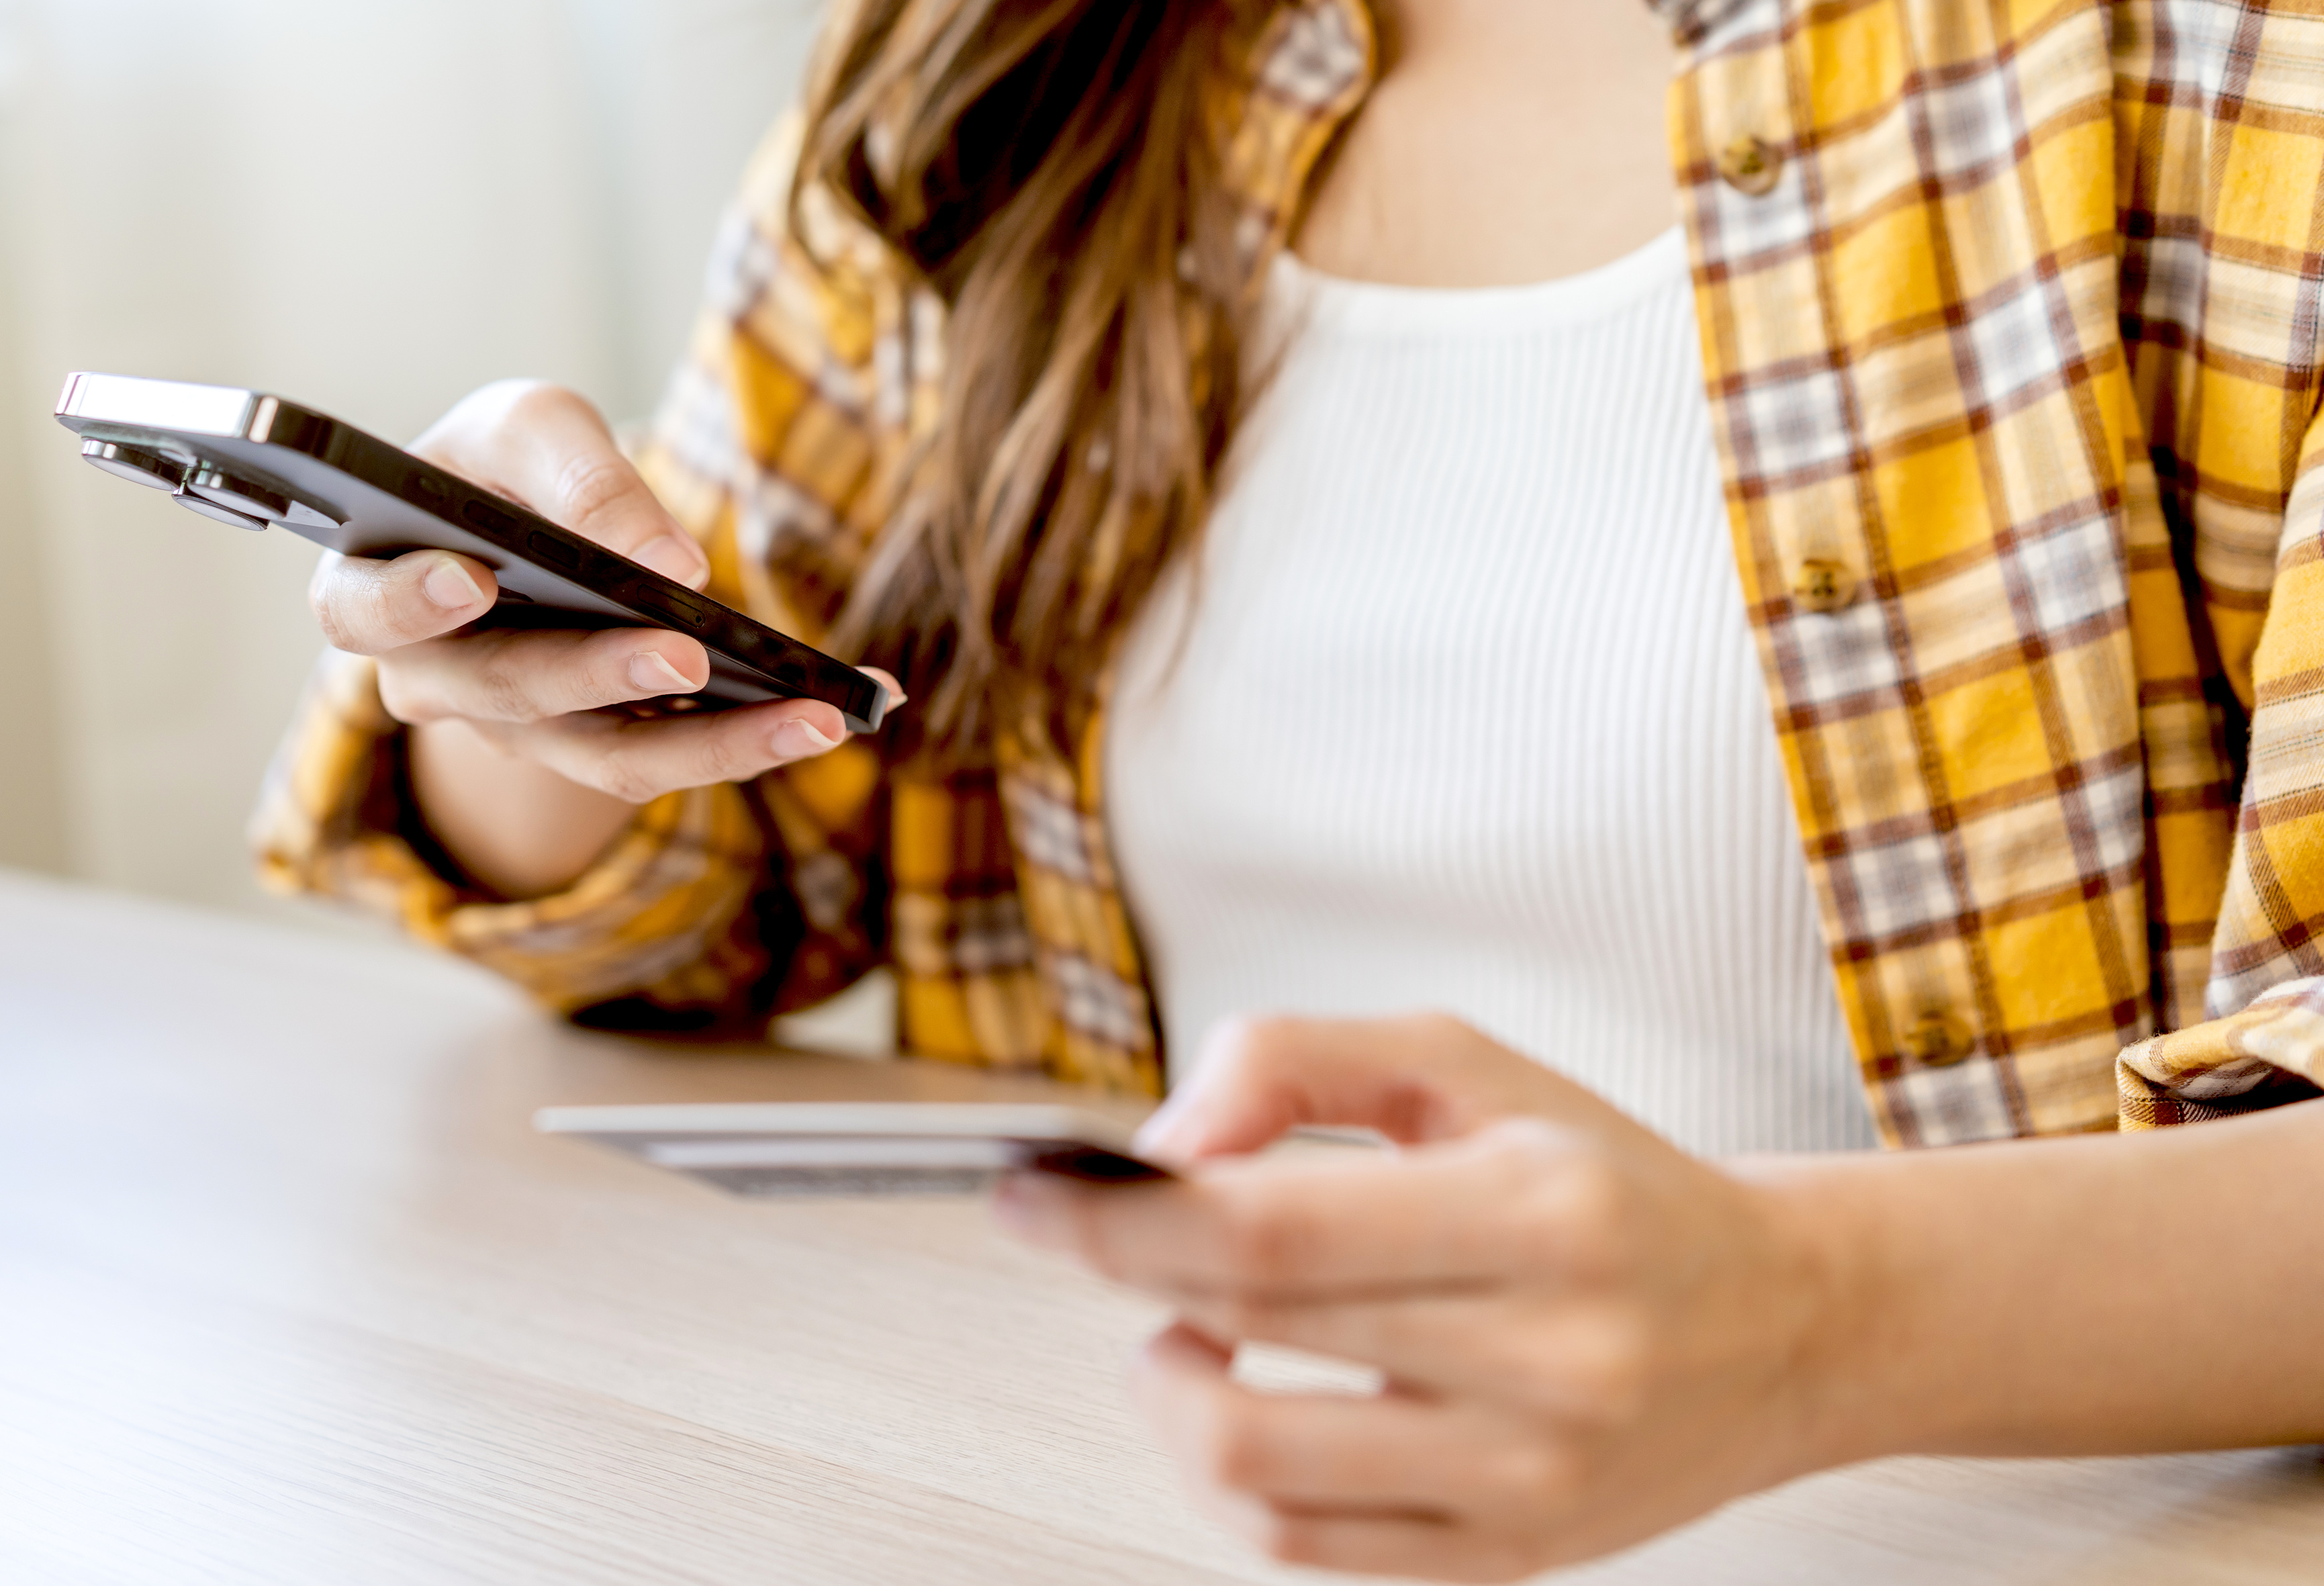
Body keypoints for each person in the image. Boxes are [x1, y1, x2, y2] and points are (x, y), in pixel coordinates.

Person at [258, 0, 2324, 1577]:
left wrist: (1796, 1321)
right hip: (1132, 1507)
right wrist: (537, 666)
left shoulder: (2226, 70)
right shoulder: (1010, 66)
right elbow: (718, 898)